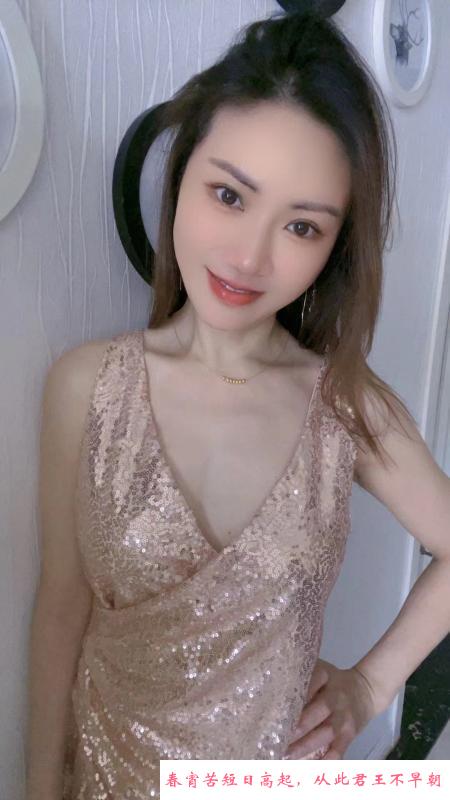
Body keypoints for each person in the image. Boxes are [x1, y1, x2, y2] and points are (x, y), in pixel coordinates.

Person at [26, 9, 450, 800]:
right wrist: (38, 786)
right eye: (229, 195)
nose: (250, 257)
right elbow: (61, 607)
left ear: (335, 247)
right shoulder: (86, 386)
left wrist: (370, 685)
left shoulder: (344, 406)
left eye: (301, 227)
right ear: (181, 175)